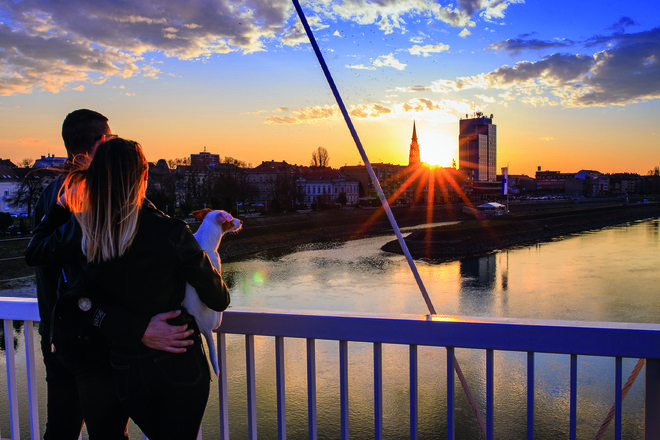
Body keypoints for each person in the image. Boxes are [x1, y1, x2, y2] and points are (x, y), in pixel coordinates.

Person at [27, 138, 231, 440]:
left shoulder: (84, 229)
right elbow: (219, 298)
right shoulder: (171, 232)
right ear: (144, 177)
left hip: (123, 367)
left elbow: (35, 253)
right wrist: (209, 257)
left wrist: (59, 207)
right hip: (176, 361)